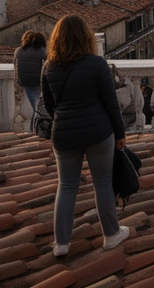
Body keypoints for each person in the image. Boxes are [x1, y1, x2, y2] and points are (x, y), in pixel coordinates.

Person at [41, 15, 129, 256]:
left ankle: (61, 243)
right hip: (98, 131)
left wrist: (66, 118)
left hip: (64, 134)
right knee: (102, 183)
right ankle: (111, 235)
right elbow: (111, 104)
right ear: (85, 37)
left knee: (66, 186)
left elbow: (50, 106)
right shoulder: (97, 64)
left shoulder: (48, 67)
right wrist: (120, 133)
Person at [15, 30, 48, 114]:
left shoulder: (18, 51)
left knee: (35, 105)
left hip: (25, 82)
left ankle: (36, 118)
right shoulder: (42, 51)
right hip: (38, 81)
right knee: (41, 106)